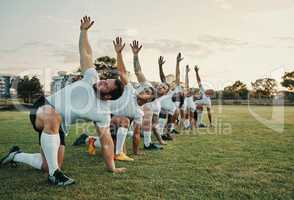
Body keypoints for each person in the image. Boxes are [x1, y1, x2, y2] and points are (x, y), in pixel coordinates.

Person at [0, 16, 126, 186]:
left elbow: (107, 142)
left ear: (108, 96)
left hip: (60, 126)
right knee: (54, 117)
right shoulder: (91, 77)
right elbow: (86, 53)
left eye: (106, 85)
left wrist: (112, 167)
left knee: (47, 164)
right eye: (105, 80)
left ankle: (16, 154)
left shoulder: (102, 113)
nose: (102, 81)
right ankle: (55, 175)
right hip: (44, 107)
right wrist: (83, 32)